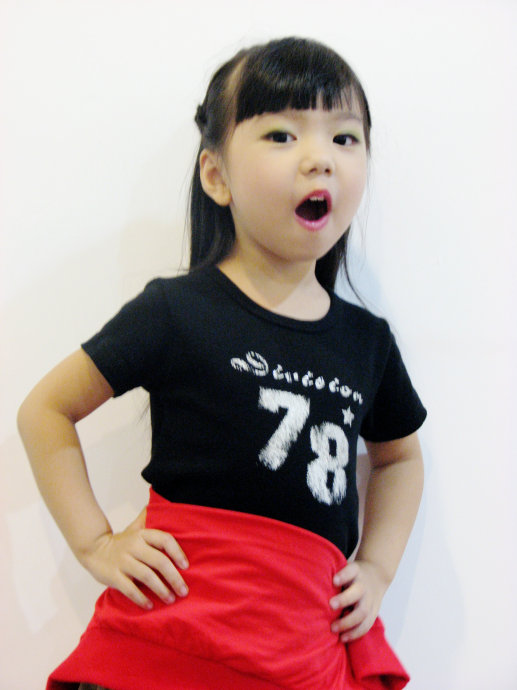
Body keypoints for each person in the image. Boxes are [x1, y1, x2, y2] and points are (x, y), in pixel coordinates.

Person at [18, 37, 426, 690]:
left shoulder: (367, 341)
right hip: (173, 632)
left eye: (344, 138)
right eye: (281, 135)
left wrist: (377, 568)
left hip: (303, 647)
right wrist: (95, 542)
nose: (319, 158)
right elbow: (45, 410)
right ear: (216, 176)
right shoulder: (175, 311)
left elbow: (399, 458)